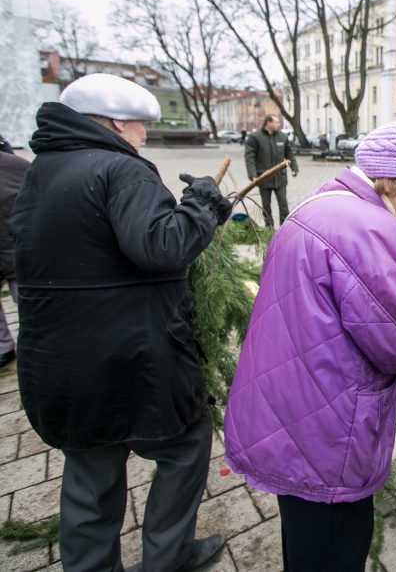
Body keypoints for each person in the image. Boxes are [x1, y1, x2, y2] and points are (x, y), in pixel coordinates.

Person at [223, 122, 396, 570]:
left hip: (286, 395)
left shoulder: (320, 201)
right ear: (391, 178)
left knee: (302, 533)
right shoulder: (369, 226)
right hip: (326, 418)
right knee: (337, 541)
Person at [10, 73, 232, 571]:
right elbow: (163, 247)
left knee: (90, 470)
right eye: (138, 127)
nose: (144, 137)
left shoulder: (40, 171)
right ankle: (168, 557)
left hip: (59, 364)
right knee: (185, 447)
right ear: (113, 123)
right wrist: (202, 205)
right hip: (132, 360)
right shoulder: (121, 170)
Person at [0, 136, 28, 367]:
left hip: (14, 249)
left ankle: (5, 348)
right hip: (18, 250)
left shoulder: (16, 167)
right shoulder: (19, 166)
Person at [245, 114, 299, 227]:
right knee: (266, 205)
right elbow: (249, 157)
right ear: (268, 123)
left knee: (283, 204)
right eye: (276, 122)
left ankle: (284, 227)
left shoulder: (282, 137)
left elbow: (289, 153)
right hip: (263, 177)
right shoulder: (255, 137)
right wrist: (252, 174)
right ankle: (269, 228)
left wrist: (294, 167)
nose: (278, 124)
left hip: (280, 178)